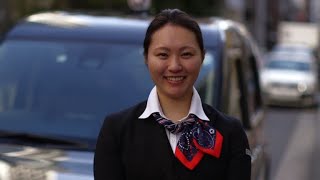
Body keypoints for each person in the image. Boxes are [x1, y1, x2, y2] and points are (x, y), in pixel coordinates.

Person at [94, 9, 251, 180]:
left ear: (202, 56)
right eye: (163, 55)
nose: (175, 66)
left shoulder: (231, 133)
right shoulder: (117, 130)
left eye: (186, 54)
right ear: (146, 58)